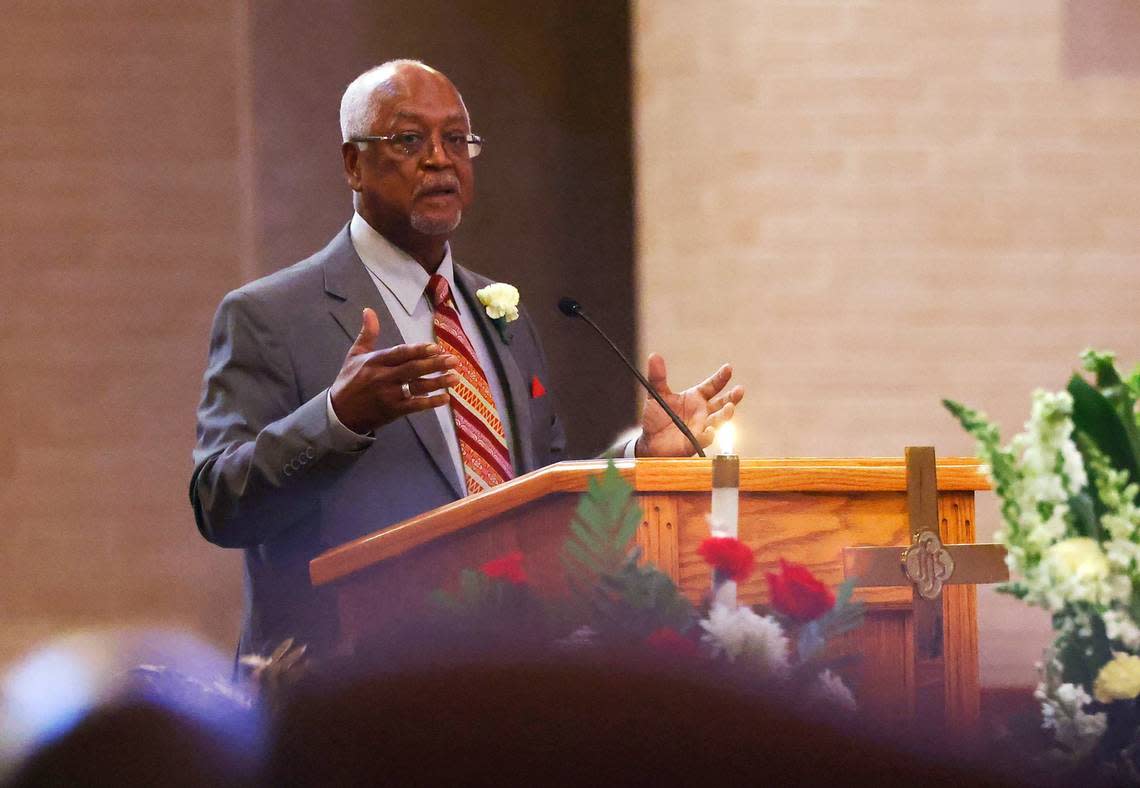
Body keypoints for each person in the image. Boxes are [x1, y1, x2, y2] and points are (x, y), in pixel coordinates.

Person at [190, 60, 744, 658]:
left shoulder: (499, 314)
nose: (439, 158)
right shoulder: (269, 315)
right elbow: (220, 504)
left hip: (500, 684)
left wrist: (640, 458)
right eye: (409, 140)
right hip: (345, 697)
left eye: (456, 139)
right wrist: (336, 420)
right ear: (353, 163)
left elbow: (539, 497)